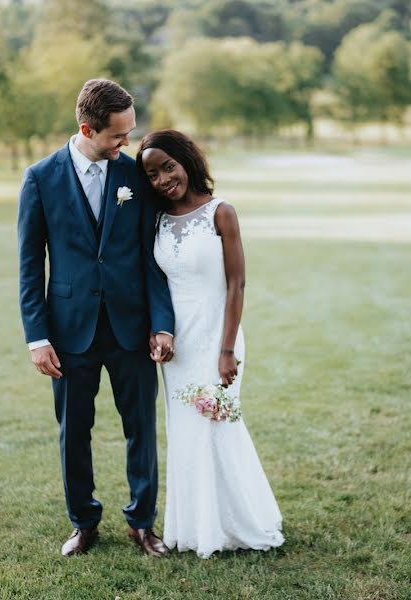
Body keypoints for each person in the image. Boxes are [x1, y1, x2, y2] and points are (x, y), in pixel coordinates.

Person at [17, 79, 175, 557]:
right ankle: (84, 522)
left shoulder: (135, 178)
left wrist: (162, 323)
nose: (126, 142)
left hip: (131, 328)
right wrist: (36, 337)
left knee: (141, 429)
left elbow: (153, 258)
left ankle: (142, 523)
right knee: (73, 433)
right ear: (88, 128)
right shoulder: (40, 178)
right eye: (118, 135)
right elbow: (29, 266)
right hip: (69, 333)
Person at [137, 129, 284, 558]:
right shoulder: (158, 220)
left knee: (219, 426)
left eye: (168, 166)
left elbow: (237, 284)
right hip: (178, 346)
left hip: (218, 336)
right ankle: (196, 528)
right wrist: (157, 333)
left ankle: (242, 523)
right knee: (186, 434)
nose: (164, 179)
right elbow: (156, 285)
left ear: (186, 161)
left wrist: (226, 351)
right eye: (152, 174)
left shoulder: (221, 212)